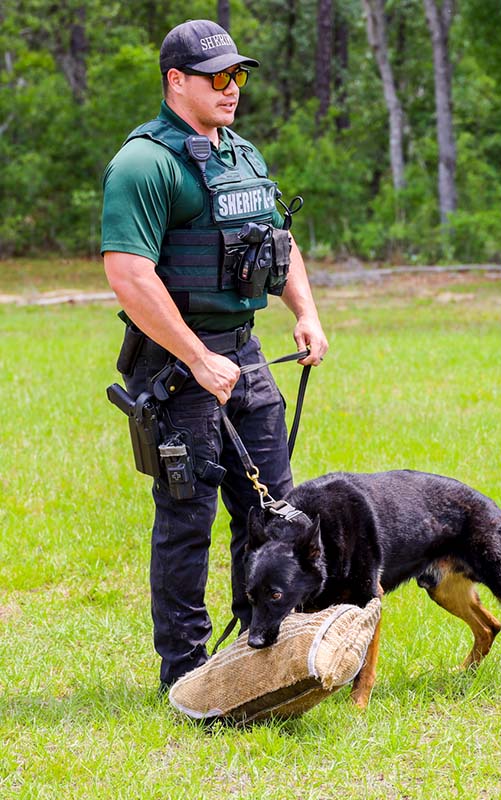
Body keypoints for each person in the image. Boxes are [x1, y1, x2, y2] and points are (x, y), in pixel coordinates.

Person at [101, 19, 328, 692]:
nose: (234, 88)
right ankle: (186, 671)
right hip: (177, 369)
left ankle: (258, 649)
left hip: (247, 358)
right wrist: (198, 358)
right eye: (218, 77)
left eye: (240, 76)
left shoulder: (243, 156)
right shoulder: (144, 164)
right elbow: (129, 274)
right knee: (187, 521)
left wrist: (306, 313)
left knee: (272, 515)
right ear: (176, 82)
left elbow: (275, 246)